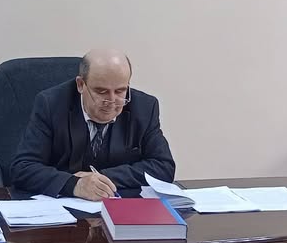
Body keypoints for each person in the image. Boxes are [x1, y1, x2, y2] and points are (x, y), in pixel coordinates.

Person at [10, 49, 175, 201]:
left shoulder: (145, 108)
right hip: (62, 211)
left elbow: (164, 167)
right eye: (101, 92)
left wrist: (101, 179)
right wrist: (75, 184)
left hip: (119, 208)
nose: (111, 101)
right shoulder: (51, 104)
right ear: (81, 85)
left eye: (120, 91)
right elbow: (23, 168)